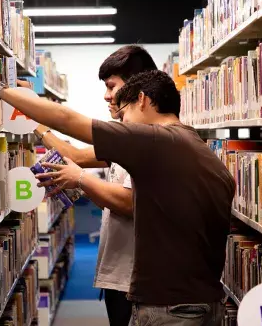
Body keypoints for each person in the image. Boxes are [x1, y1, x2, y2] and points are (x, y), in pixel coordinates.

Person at [0, 54, 236, 325]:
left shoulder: (155, 140)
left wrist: (0, 88)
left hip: (170, 306)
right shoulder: (191, 144)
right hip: (202, 299)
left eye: (124, 112)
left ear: (141, 100)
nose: (122, 120)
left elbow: (67, 119)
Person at [16, 46, 158, 326]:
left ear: (137, 89)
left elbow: (130, 203)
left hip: (136, 278)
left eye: (111, 86)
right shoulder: (128, 138)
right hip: (120, 274)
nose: (106, 96)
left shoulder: (150, 140)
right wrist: (32, 120)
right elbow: (77, 155)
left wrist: (80, 179)